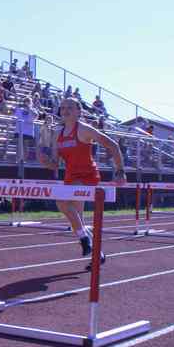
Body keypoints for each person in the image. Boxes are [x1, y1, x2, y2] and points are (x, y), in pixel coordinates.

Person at [37, 97, 127, 268]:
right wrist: (45, 161)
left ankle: (85, 240)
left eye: (70, 107)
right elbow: (55, 164)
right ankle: (96, 253)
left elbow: (113, 145)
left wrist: (120, 171)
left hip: (87, 176)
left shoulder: (85, 130)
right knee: (77, 220)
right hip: (70, 177)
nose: (65, 110)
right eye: (62, 108)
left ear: (79, 111)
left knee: (61, 201)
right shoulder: (57, 134)